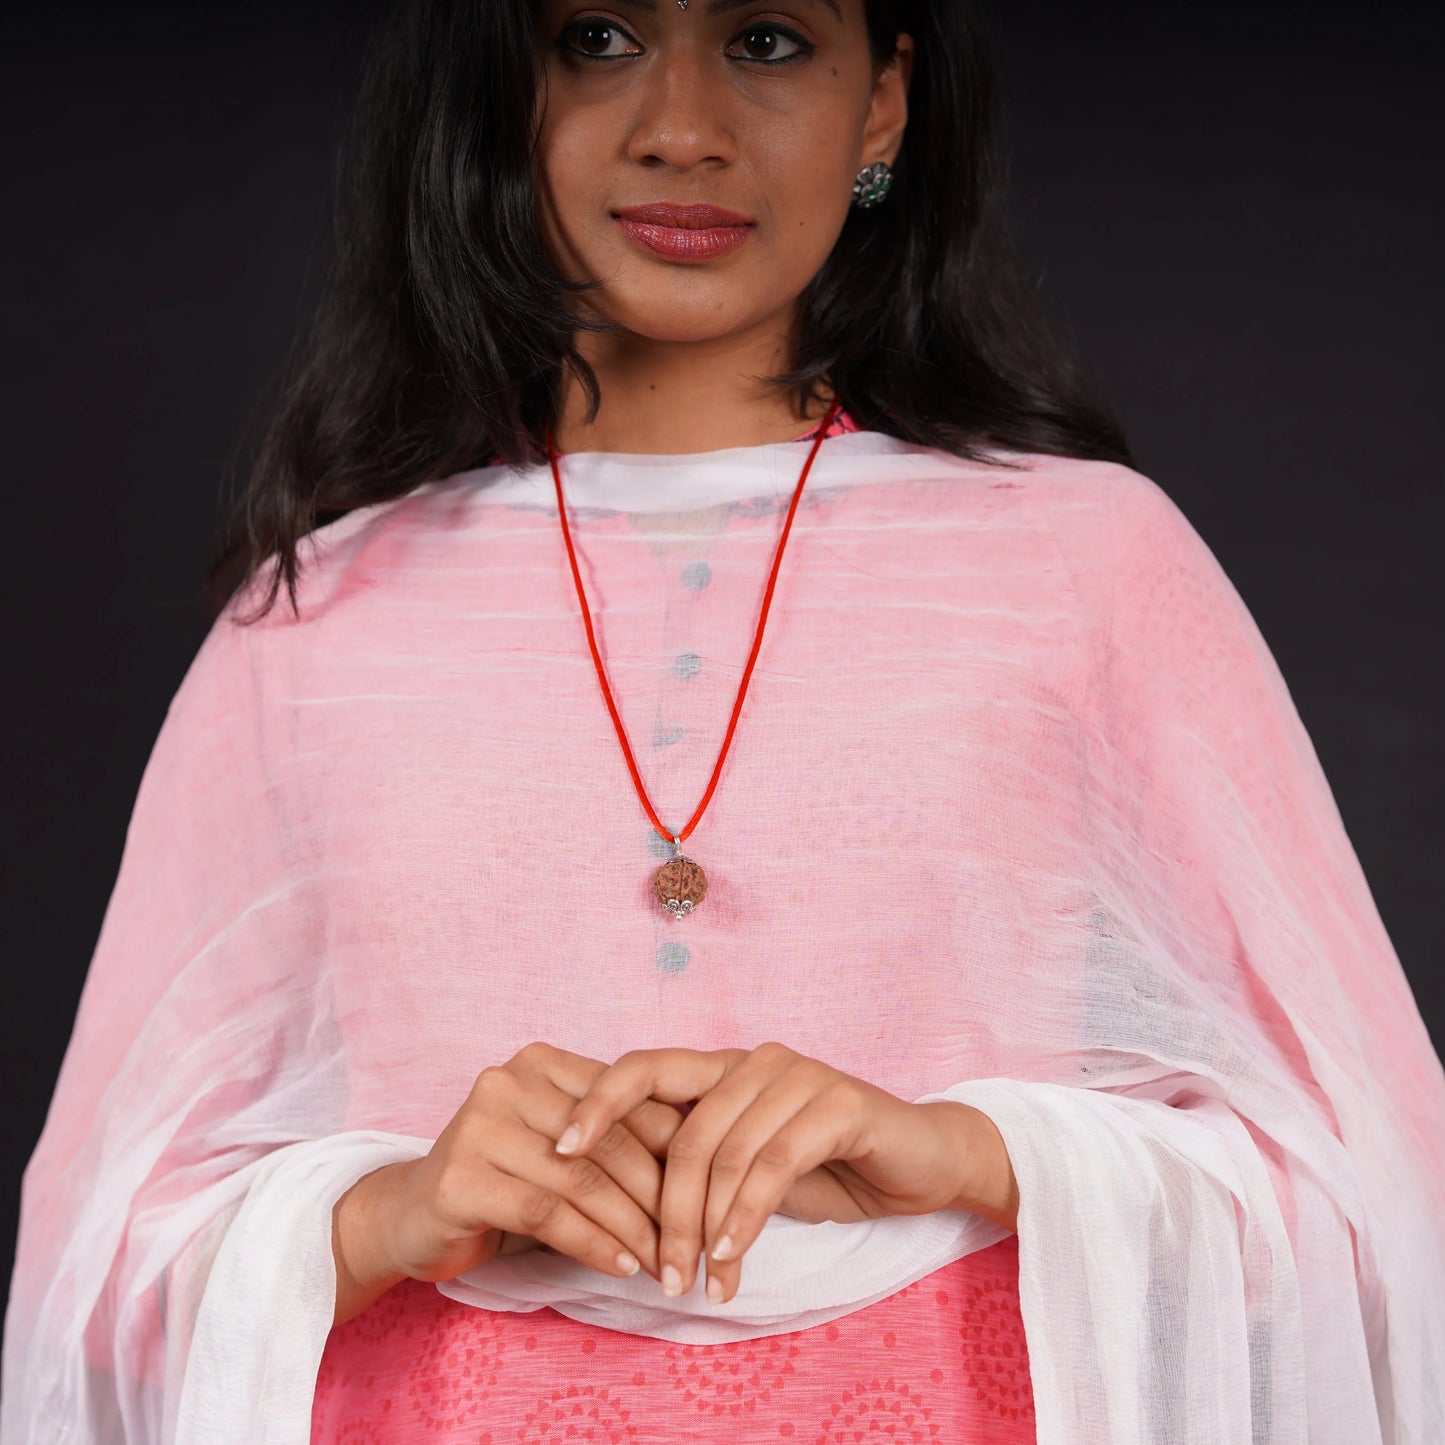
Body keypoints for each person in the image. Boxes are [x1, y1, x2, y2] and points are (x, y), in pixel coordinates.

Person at [4, 0, 1442, 1441]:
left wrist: (966, 1149)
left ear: (883, 107)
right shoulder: (323, 612)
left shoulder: (1082, 561)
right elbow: (92, 1280)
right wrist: (392, 1209)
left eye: (765, 41)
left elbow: (1379, 1191)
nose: (681, 129)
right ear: (495, 90)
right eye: (597, 37)